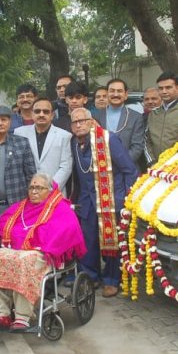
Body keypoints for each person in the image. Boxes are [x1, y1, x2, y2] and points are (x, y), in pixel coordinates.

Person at [0, 173, 86, 331]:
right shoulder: (21, 207)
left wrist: (37, 241)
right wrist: (18, 236)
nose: (34, 191)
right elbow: (2, 224)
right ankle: (1, 314)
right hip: (15, 250)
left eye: (39, 188)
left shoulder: (60, 208)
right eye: (32, 187)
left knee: (25, 262)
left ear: (49, 190)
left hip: (42, 253)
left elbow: (66, 231)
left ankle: (22, 317)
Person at [69, 107, 138, 298]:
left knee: (111, 242)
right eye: (74, 122)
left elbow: (129, 170)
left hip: (110, 199)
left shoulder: (108, 139)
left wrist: (126, 199)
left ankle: (112, 280)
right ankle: (90, 277)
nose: (79, 124)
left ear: (92, 121)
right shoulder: (74, 143)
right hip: (86, 200)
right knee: (88, 242)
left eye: (82, 120)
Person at [0, 105, 36, 260]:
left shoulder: (21, 143)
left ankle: (10, 283)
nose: (0, 123)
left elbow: (31, 175)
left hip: (14, 206)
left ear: (10, 122)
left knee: (13, 249)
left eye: (4, 119)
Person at [14, 97, 73, 192]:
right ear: (32, 114)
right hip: (26, 192)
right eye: (37, 111)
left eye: (46, 112)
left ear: (52, 115)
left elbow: (66, 167)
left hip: (54, 193)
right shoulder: (20, 133)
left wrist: (48, 189)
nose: (41, 114)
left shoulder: (64, 136)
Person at [145, 72, 178, 166]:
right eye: (161, 88)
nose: (164, 91)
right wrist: (152, 161)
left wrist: (175, 163)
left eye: (168, 87)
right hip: (154, 166)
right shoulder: (153, 113)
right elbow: (146, 140)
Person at [95, 78, 146, 165]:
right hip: (103, 169)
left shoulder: (136, 117)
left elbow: (137, 147)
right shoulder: (96, 117)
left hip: (128, 169)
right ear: (107, 94)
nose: (115, 94)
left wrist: (121, 164)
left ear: (126, 94)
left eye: (119, 91)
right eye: (112, 91)